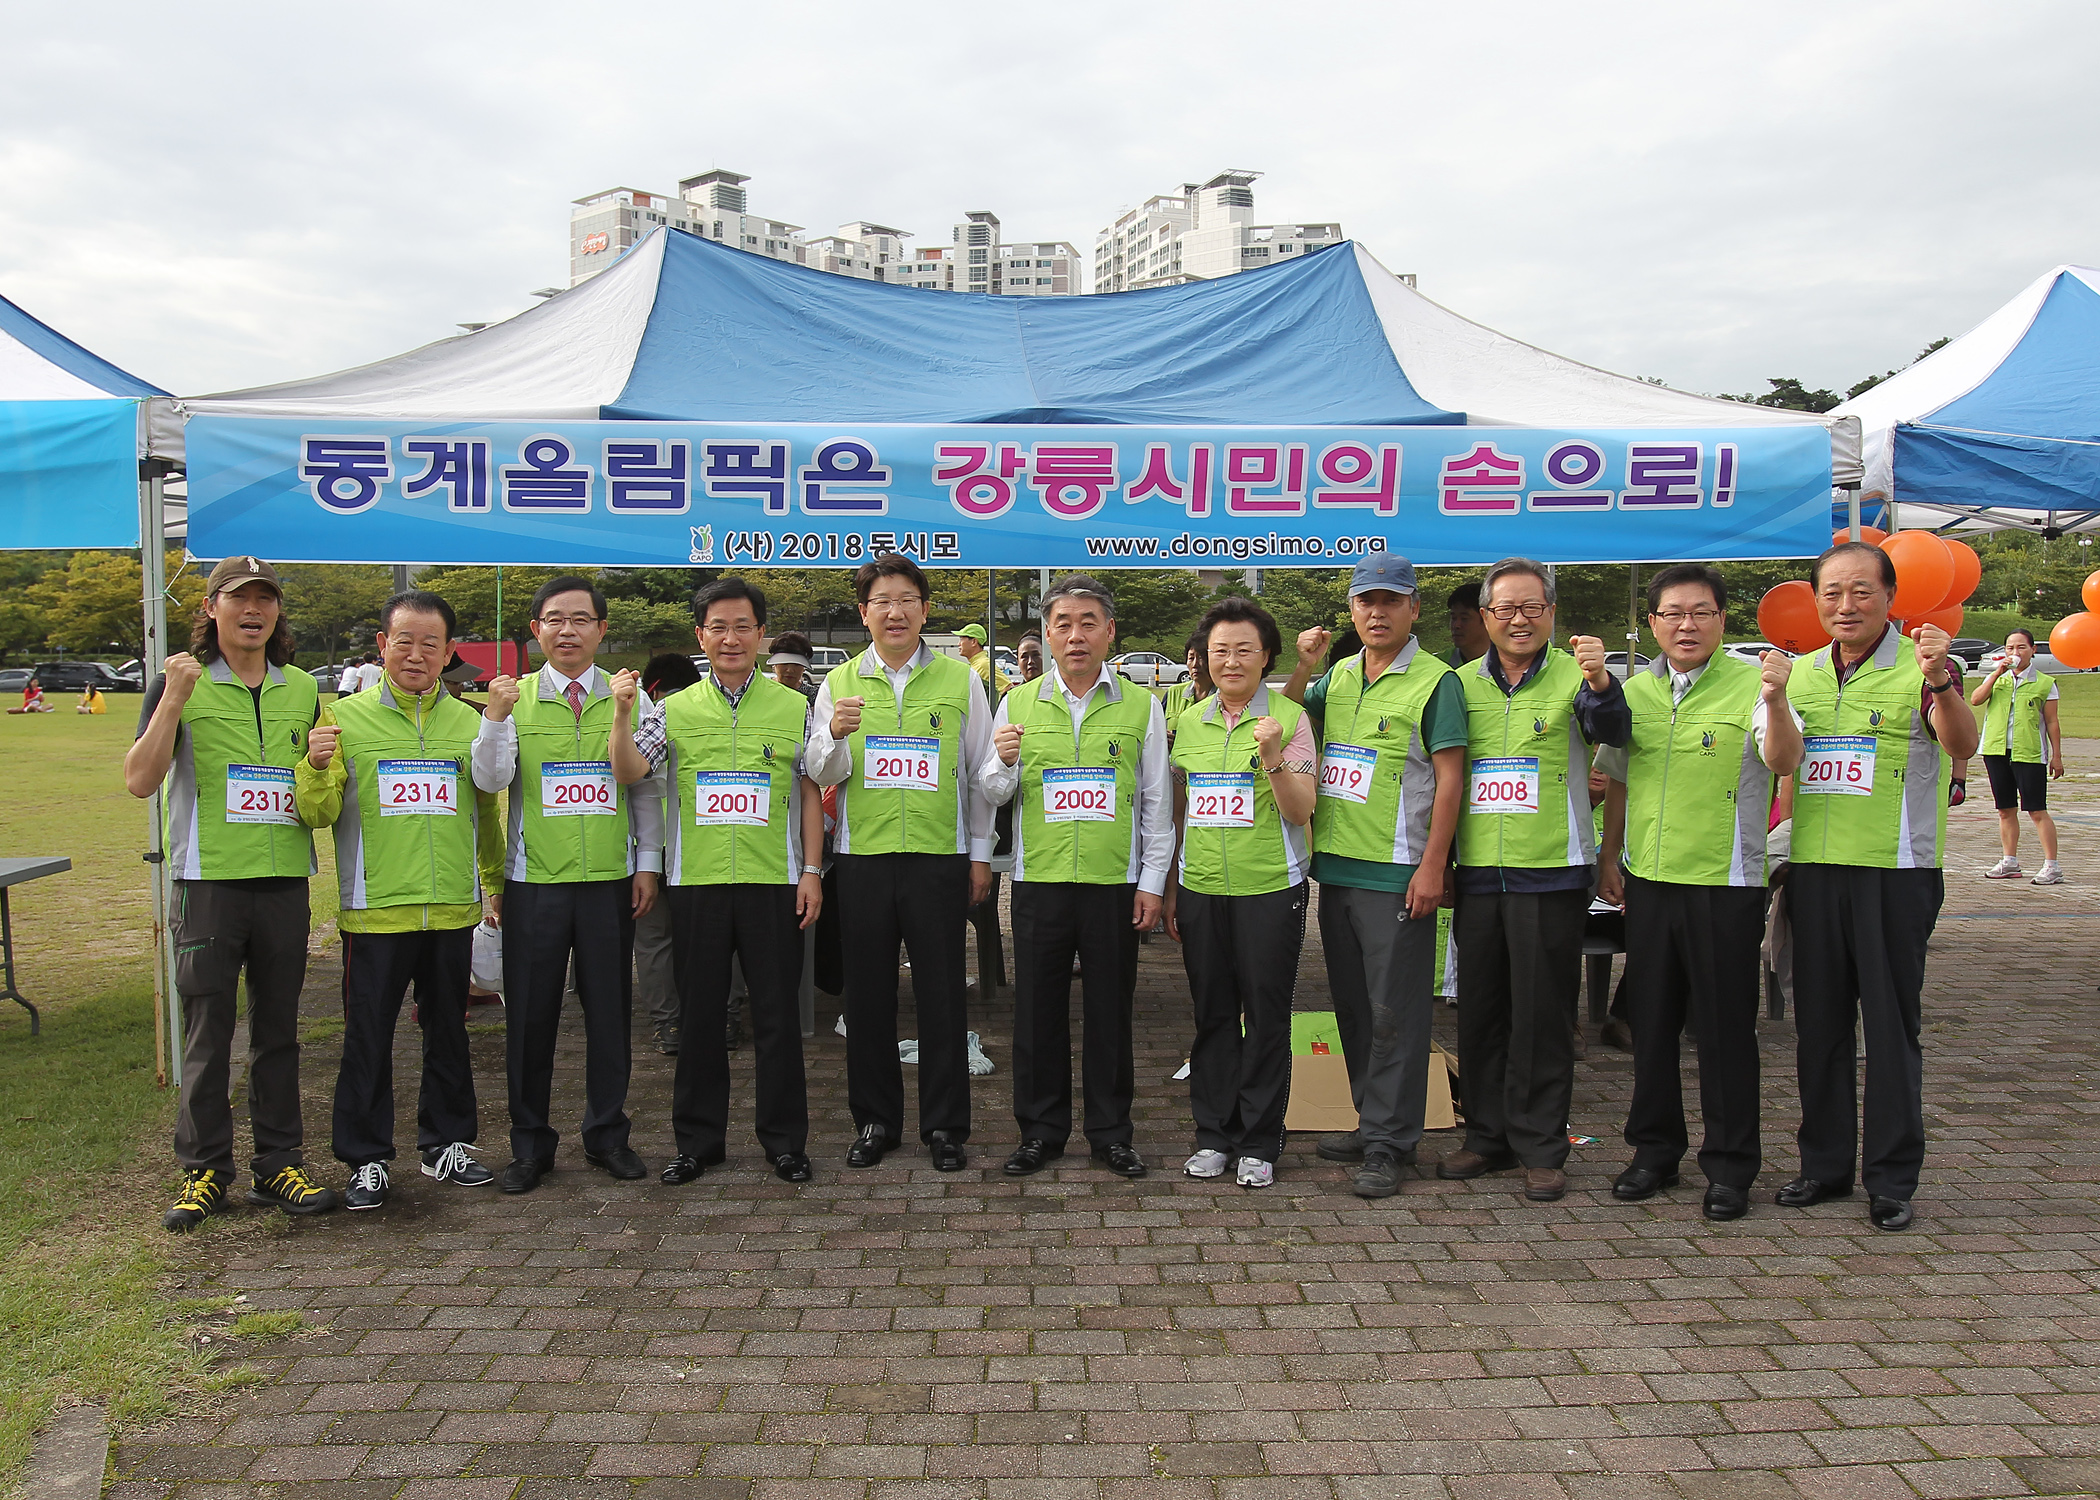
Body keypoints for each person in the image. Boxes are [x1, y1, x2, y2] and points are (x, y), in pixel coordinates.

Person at [125, 556, 338, 1230]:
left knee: (279, 1032)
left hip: (283, 882)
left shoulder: (301, 688)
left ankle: (279, 1164)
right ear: (210, 608)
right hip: (208, 883)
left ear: (277, 611)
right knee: (208, 1032)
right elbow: (139, 780)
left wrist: (317, 765)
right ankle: (205, 1170)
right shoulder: (179, 681)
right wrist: (174, 698)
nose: (253, 609)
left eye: (265, 598)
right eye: (238, 597)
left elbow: (315, 787)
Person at [1594, 565, 1801, 1222]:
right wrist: (1609, 856)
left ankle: (1731, 1166)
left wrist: (1776, 699)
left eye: (1701, 612)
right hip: (1649, 882)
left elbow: (1784, 761)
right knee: (1651, 1025)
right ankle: (1654, 1151)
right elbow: (1617, 777)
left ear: (1721, 619)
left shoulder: (1754, 685)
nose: (1687, 625)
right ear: (1653, 623)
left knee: (1723, 1031)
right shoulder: (1635, 691)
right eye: (1673, 613)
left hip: (1724, 883)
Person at [1782, 541, 1978, 1232]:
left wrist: (1942, 681)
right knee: (1819, 1026)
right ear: (1816, 601)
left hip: (1895, 875)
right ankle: (1824, 1165)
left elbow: (1961, 745)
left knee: (1891, 1030)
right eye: (1832, 592)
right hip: (1813, 871)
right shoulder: (1801, 674)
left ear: (1890, 598)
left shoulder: (1923, 666)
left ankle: (1891, 1179)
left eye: (1862, 591)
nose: (1846, 605)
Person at [295, 590, 503, 1211]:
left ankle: (447, 1144)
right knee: (368, 1036)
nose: (416, 654)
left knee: (449, 1032)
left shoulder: (471, 723)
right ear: (383, 645)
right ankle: (365, 1158)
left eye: (430, 644)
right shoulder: (343, 719)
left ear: (448, 652)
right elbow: (318, 812)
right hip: (375, 910)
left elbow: (486, 813)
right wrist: (314, 766)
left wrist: (494, 882)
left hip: (451, 908)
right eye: (404, 641)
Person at [617, 577, 823, 1184]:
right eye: (718, 628)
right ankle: (698, 1142)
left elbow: (810, 793)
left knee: (777, 1018)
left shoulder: (795, 707)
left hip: (774, 881)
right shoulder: (673, 709)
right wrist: (624, 715)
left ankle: (784, 1142)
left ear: (761, 635)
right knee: (700, 1018)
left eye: (742, 627)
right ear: (700, 636)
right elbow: (629, 771)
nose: (730, 639)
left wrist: (812, 871)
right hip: (698, 883)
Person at [1280, 555, 1466, 1198]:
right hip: (1337, 867)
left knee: (1396, 1014)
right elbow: (1278, 723)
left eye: (1390, 601)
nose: (1377, 613)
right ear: (1352, 610)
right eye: (1366, 601)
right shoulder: (1339, 676)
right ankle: (1371, 1120)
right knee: (1356, 1008)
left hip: (1398, 874)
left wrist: (1433, 865)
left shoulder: (1436, 682)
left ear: (1414, 608)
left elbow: (1451, 780)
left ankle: (1392, 1141)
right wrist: (1304, 664)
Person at [1443, 557, 1627, 1204]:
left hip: (1551, 872)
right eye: (1505, 609)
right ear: (1486, 616)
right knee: (1481, 1010)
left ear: (1550, 612)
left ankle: (1542, 1145)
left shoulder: (1577, 679)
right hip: (1478, 874)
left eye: (1531, 608)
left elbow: (1613, 735)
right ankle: (1486, 1136)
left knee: (1543, 1014)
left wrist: (1601, 682)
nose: (1518, 620)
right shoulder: (1458, 683)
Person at [470, 576, 661, 1194]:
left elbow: (644, 789)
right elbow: (490, 780)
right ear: (536, 631)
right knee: (531, 1017)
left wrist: (647, 862)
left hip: (609, 880)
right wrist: (494, 718)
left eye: (581, 619)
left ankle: (608, 1135)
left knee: (610, 1012)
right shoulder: (514, 698)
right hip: (536, 883)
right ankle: (529, 1145)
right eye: (555, 619)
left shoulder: (630, 697)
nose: (568, 631)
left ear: (602, 630)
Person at [978, 574, 1170, 1180]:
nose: (1076, 635)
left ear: (1110, 632)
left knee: (1111, 1011)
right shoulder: (1017, 703)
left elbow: (1157, 804)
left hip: (1115, 884)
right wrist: (1002, 760)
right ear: (1047, 634)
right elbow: (992, 792)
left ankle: (1111, 1133)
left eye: (1089, 623)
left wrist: (1152, 882)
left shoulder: (1142, 706)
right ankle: (1040, 1131)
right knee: (1037, 1012)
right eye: (1062, 624)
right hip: (1041, 880)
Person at [806, 555, 994, 1171]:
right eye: (882, 601)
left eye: (907, 599)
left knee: (942, 993)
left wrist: (979, 855)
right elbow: (821, 771)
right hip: (863, 859)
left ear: (925, 609)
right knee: (868, 997)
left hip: (939, 858)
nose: (895, 612)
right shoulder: (838, 683)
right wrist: (835, 733)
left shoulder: (960, 681)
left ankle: (945, 1127)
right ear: (864, 614)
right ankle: (876, 1121)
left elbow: (978, 775)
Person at [1166, 596, 1317, 1190]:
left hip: (1270, 889)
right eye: (1219, 651)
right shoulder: (1190, 722)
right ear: (1204, 657)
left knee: (1266, 1017)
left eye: (1244, 650)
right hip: (1201, 889)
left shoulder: (1290, 718)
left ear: (1267, 656)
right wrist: (1173, 887)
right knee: (1212, 1016)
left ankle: (1259, 1141)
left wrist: (1272, 756)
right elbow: (1181, 812)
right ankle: (1213, 1135)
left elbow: (1301, 810)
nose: (1231, 661)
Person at [635, 652, 703, 1054]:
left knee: (654, 938)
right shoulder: (704, 711)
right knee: (713, 936)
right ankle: (725, 1017)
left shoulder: (652, 716)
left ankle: (668, 1023)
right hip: (701, 843)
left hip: (651, 846)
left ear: (654, 687)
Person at [1972, 628, 2064, 884]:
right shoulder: (1997, 678)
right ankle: (2009, 861)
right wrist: (1996, 673)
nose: (2015, 652)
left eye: (2021, 647)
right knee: (2005, 809)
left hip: (2029, 753)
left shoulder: (2045, 682)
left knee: (2036, 810)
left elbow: (2052, 721)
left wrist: (2057, 755)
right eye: (2010, 648)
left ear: (2033, 650)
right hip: (1996, 750)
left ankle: (2052, 865)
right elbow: (1976, 699)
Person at [1442, 581, 1490, 667]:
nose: (1456, 625)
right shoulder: (1439, 664)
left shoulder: (1510, 662)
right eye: (1453, 618)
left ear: (1485, 618)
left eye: (1464, 618)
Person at [956, 622, 1011, 696]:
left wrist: (995, 703)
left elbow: (1007, 687)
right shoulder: (977, 664)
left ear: (974, 642)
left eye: (961, 639)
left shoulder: (983, 664)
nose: (958, 644)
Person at [768, 630, 821, 702]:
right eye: (784, 663)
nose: (790, 670)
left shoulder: (815, 696)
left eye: (796, 664)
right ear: (775, 664)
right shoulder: (761, 691)